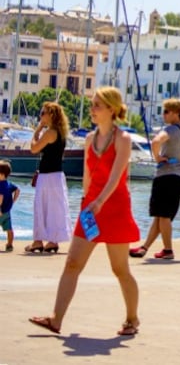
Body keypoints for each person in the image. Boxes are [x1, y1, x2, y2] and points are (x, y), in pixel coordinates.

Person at [29, 86, 140, 337]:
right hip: (91, 209)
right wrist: (86, 201)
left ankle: (132, 319)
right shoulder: (90, 139)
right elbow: (88, 176)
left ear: (111, 109)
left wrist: (99, 201)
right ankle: (56, 319)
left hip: (114, 208)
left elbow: (117, 177)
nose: (92, 109)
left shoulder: (123, 139)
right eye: (92, 104)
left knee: (120, 269)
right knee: (72, 263)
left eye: (97, 105)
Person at [130, 98, 180, 260]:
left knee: (163, 216)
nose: (163, 115)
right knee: (161, 215)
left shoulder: (170, 130)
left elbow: (156, 141)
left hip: (166, 176)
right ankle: (144, 247)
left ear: (176, 113)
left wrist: (157, 157)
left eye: (166, 112)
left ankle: (168, 250)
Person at [25, 102, 73, 254]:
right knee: (55, 209)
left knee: (41, 207)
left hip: (47, 176)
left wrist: (37, 131)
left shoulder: (50, 133)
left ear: (51, 115)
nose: (41, 116)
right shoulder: (60, 133)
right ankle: (53, 241)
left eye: (43, 113)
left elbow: (34, 148)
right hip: (57, 175)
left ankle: (38, 241)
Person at [0, 159, 20, 252]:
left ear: (1, 174)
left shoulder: (0, 185)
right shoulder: (8, 184)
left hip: (0, 211)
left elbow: (0, 197)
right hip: (7, 212)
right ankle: (9, 244)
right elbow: (17, 190)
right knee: (9, 229)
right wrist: (13, 200)